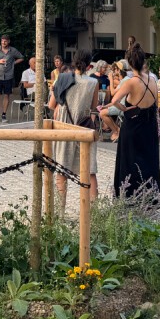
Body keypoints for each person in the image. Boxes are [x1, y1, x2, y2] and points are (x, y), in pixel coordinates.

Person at [106, 45, 160, 206]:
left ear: (130, 64)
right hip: (149, 125)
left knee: (129, 162)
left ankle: (129, 199)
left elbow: (114, 100)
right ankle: (150, 199)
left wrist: (125, 108)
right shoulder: (152, 80)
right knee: (149, 161)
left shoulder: (131, 82)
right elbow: (156, 105)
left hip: (133, 125)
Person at [50, 53, 100, 205]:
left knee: (62, 168)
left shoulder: (62, 78)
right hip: (84, 124)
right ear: (89, 65)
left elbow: (52, 105)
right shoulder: (93, 82)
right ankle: (93, 211)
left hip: (64, 125)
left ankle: (60, 211)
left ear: (74, 63)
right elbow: (93, 106)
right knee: (89, 169)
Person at [0, 35, 24, 123]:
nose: (3, 43)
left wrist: (13, 63)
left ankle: (4, 115)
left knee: (7, 95)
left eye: (5, 41)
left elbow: (21, 58)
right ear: (0, 41)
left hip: (8, 76)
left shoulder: (13, 50)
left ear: (9, 41)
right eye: (2, 41)